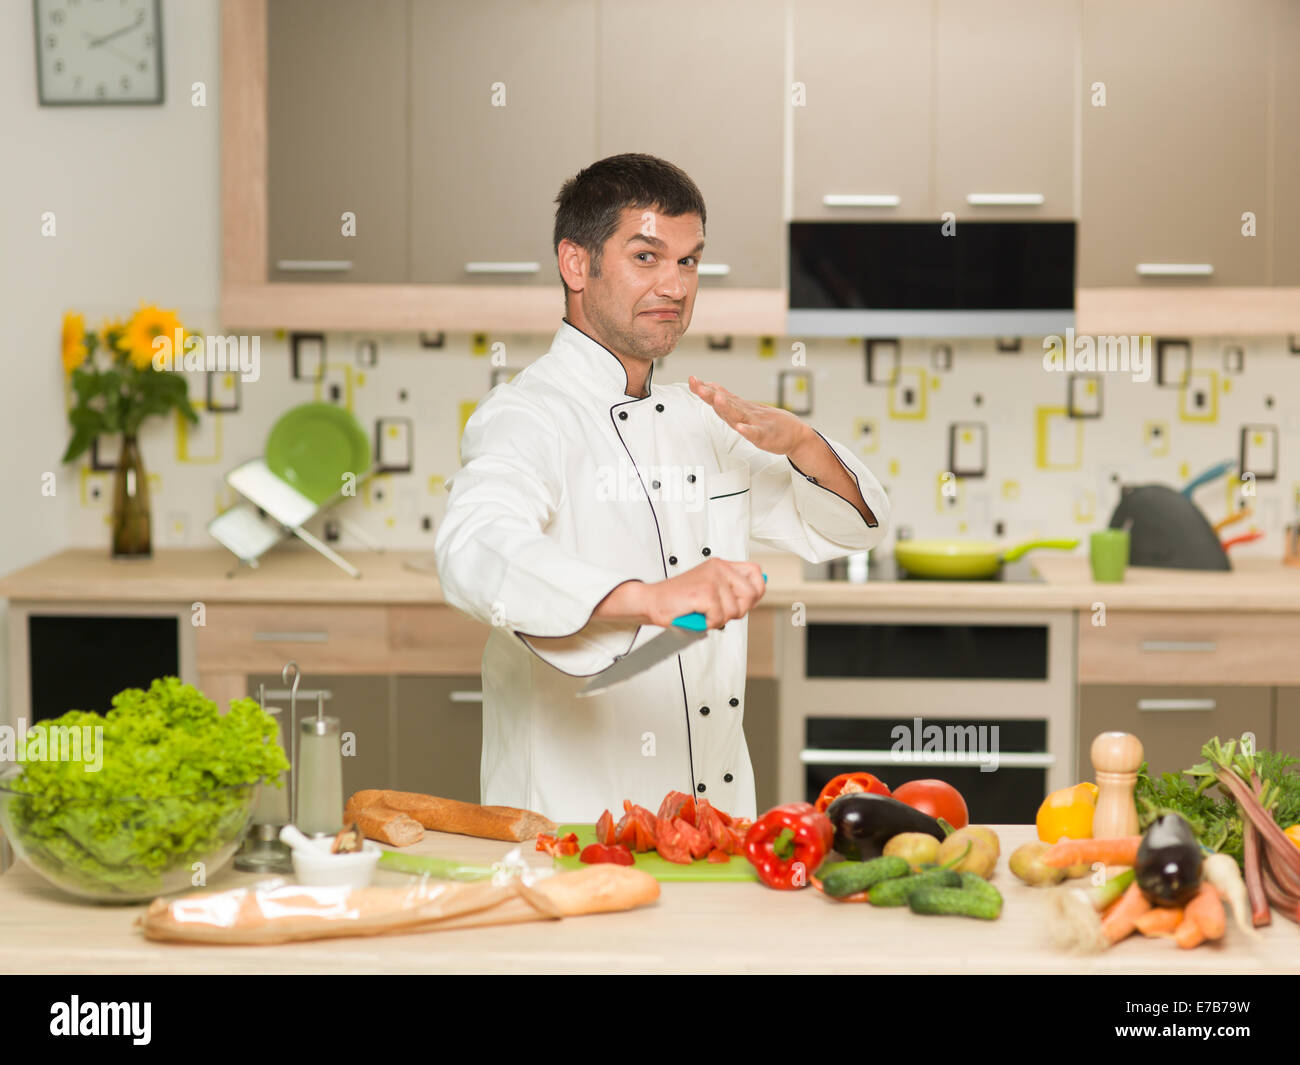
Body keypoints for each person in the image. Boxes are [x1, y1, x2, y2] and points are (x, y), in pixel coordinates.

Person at [434, 154, 889, 823]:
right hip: (577, 823)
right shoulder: (527, 415)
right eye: (646, 257)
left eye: (688, 261)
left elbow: (853, 527)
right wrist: (649, 598)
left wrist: (802, 444)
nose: (674, 285)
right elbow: (474, 547)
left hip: (717, 817)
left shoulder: (701, 419)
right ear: (575, 264)